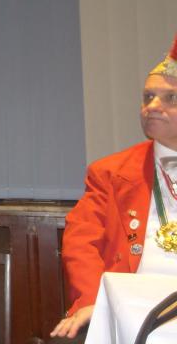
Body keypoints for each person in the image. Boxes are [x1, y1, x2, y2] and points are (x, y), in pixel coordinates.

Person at [50, 34, 177, 341]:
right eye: (148, 97)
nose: (152, 106)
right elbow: (81, 242)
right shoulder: (110, 172)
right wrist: (95, 302)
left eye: (170, 98)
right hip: (131, 308)